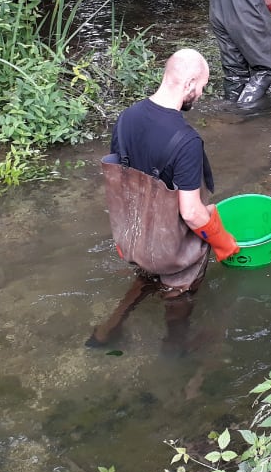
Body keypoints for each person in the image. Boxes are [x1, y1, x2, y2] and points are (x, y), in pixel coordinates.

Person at [89, 49, 239, 349]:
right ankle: (175, 348)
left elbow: (124, 175)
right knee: (178, 293)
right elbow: (192, 213)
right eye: (201, 87)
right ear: (189, 83)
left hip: (133, 237)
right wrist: (224, 243)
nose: (199, 95)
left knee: (147, 274)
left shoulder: (126, 117)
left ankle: (108, 329)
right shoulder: (186, 141)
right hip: (170, 247)